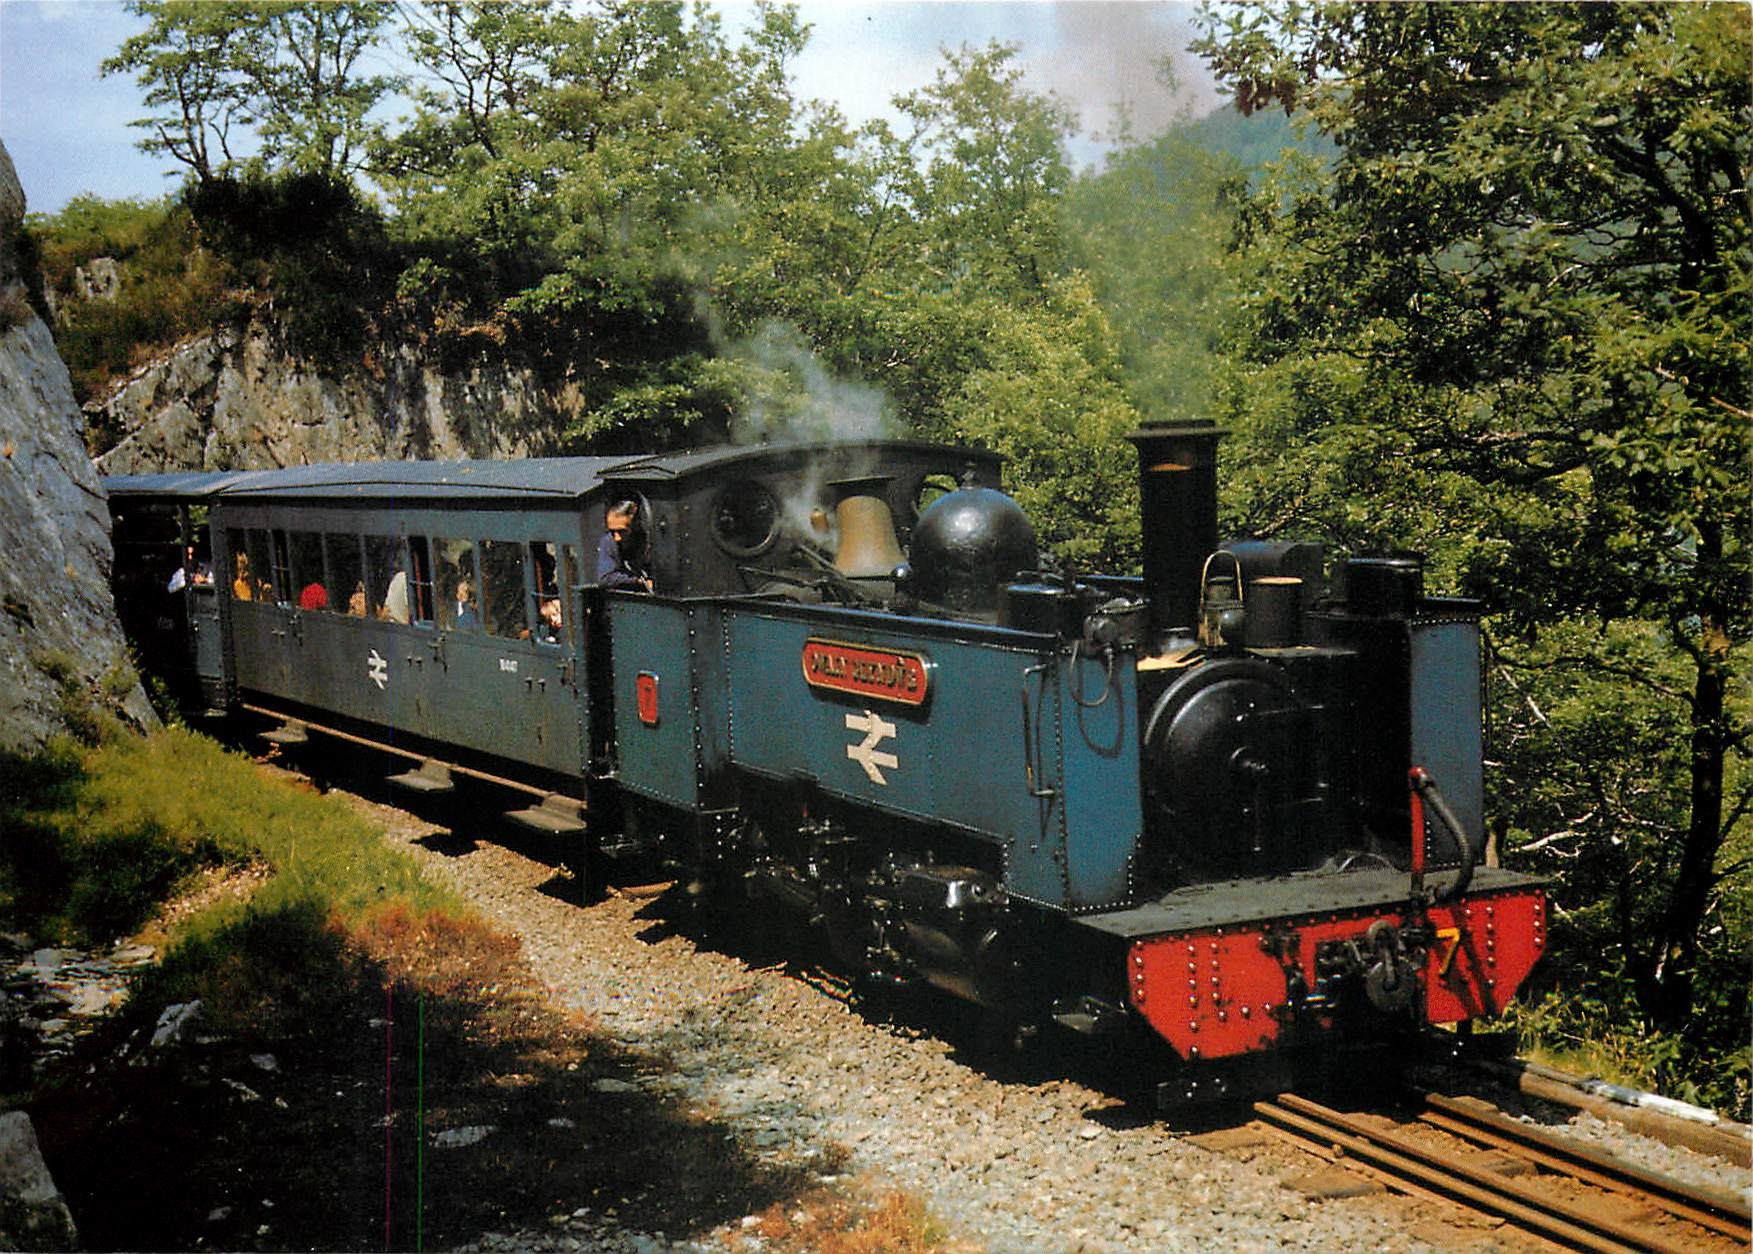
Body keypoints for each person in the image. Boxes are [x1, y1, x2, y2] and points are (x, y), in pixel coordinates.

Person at [596, 501, 653, 591]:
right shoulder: (609, 541)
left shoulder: (649, 540)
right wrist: (637, 581)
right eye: (612, 531)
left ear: (635, 526)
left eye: (622, 531)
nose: (617, 538)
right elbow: (606, 578)